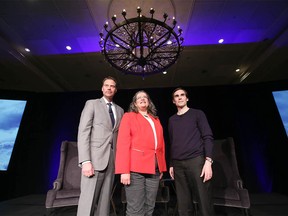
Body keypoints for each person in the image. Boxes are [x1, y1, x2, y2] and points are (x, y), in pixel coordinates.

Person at [77, 76, 124, 216]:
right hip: (94, 160)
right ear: (102, 88)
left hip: (111, 160)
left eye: (112, 86)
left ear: (115, 90)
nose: (109, 88)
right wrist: (85, 161)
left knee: (104, 203)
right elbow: (83, 132)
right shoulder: (91, 104)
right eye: (106, 85)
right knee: (88, 201)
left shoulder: (120, 110)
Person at [115, 90, 167, 216]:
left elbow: (161, 145)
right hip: (135, 170)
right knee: (135, 210)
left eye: (145, 97)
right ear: (135, 103)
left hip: (154, 169)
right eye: (139, 98)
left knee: (149, 207)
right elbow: (122, 144)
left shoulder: (156, 119)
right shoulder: (129, 116)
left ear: (149, 102)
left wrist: (161, 167)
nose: (142, 99)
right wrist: (124, 170)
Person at [168, 87, 215, 216]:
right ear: (173, 101)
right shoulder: (172, 120)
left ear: (187, 98)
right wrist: (171, 163)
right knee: (184, 205)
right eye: (176, 96)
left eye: (182, 95)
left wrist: (208, 161)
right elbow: (173, 142)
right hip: (178, 164)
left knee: (204, 200)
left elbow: (208, 137)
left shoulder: (197, 114)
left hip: (196, 161)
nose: (180, 97)